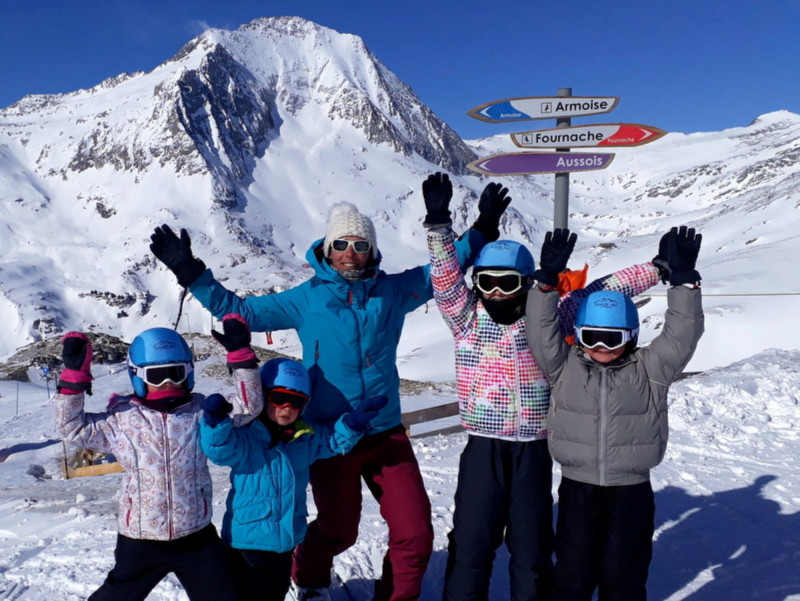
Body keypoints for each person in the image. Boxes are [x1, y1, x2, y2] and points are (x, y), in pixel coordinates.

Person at [148, 180, 503, 601]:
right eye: (342, 243)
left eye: (360, 244)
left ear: (372, 251)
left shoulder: (392, 291)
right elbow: (241, 312)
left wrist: (483, 228)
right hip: (327, 436)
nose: (351, 252)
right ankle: (311, 576)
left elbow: (444, 270)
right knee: (338, 531)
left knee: (416, 533)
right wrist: (192, 274)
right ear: (326, 250)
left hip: (385, 432)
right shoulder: (307, 299)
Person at [423, 183, 663, 601]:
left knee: (532, 549)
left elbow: (605, 292)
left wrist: (659, 268)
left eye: (508, 282)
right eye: (488, 282)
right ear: (476, 283)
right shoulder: (466, 319)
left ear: (526, 283)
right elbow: (444, 278)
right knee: (472, 543)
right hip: (484, 447)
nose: (498, 292)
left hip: (535, 447)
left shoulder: (548, 317)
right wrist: (440, 226)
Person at [525, 226, 705, 601]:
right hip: (578, 487)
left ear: (632, 337)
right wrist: (545, 285)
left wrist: (684, 284)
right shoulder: (562, 367)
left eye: (613, 339)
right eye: (591, 338)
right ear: (578, 335)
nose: (601, 348)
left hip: (631, 489)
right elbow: (540, 331)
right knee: (572, 574)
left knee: (623, 575)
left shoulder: (651, 370)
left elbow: (681, 335)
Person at [53, 325, 263, 601]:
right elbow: (70, 427)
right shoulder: (122, 420)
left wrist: (242, 357)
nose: (167, 383)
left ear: (188, 373)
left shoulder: (201, 413)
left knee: (226, 595)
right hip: (140, 539)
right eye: (157, 375)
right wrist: (74, 378)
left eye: (174, 373)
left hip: (196, 535)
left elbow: (248, 408)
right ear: (137, 376)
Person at [199, 314, 388, 601]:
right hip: (246, 543)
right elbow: (219, 449)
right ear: (263, 396)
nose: (287, 407)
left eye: (296, 402)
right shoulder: (248, 437)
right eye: (279, 398)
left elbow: (331, 441)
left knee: (272, 593)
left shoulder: (305, 438)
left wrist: (352, 424)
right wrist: (215, 424)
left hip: (285, 542)